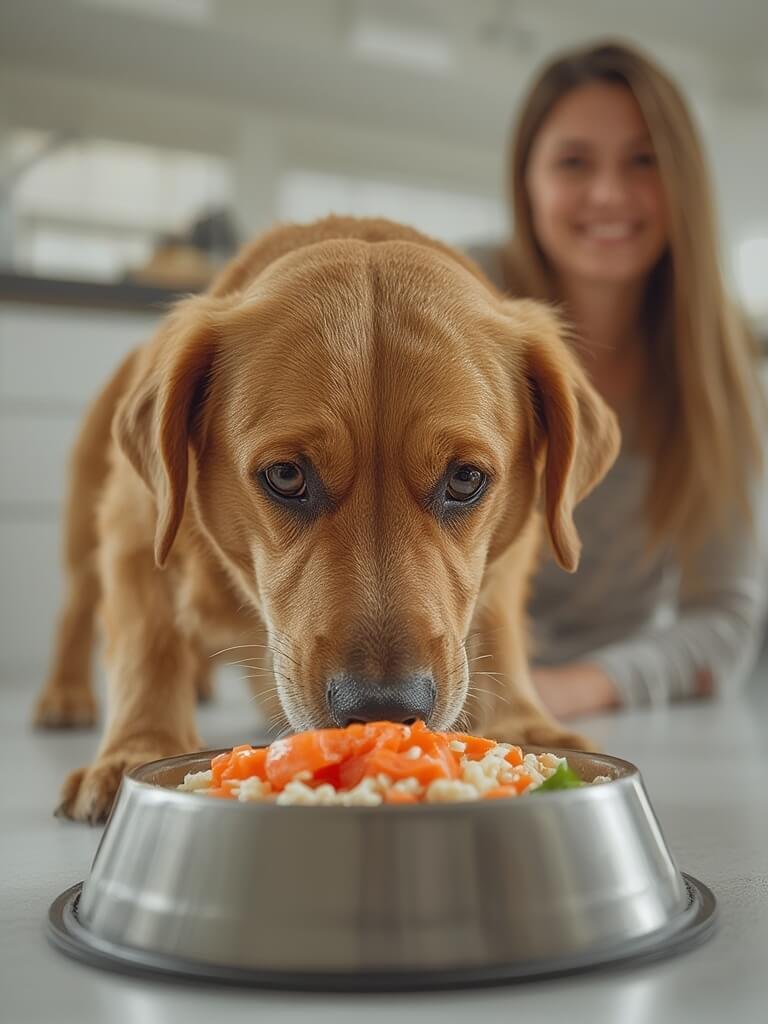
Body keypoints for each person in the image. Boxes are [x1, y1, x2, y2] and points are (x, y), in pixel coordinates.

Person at [468, 40, 767, 718]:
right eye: (574, 162)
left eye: (644, 160)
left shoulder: (718, 369)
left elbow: (725, 619)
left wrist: (565, 691)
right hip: (426, 693)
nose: (608, 194)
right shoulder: (456, 303)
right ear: (527, 180)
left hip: (594, 714)